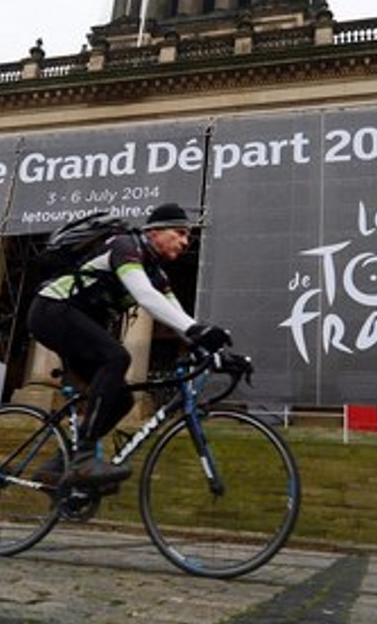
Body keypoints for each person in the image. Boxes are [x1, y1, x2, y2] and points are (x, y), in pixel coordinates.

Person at [26, 202, 232, 486]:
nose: (186, 242)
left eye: (188, 236)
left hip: (74, 321)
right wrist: (197, 331)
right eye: (180, 233)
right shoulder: (125, 246)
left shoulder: (157, 275)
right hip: (51, 310)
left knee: (122, 400)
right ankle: (84, 459)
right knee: (116, 357)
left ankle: (60, 465)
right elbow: (144, 295)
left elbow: (179, 318)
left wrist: (216, 350)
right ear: (155, 231)